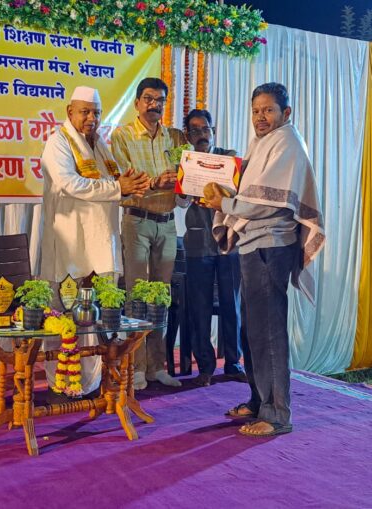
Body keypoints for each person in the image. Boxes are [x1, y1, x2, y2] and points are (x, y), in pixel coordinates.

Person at [206, 82, 325, 437]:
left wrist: (224, 204)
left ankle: (277, 415)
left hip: (270, 247)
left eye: (268, 110)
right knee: (252, 329)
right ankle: (259, 401)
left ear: (286, 113)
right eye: (256, 111)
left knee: (269, 331)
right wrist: (221, 193)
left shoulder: (287, 143)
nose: (260, 117)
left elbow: (267, 202)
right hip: (253, 245)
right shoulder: (263, 142)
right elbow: (251, 192)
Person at [40, 86, 149, 400]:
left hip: (101, 244)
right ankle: (61, 381)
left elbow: (111, 185)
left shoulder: (100, 145)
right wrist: (117, 187)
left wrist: (130, 185)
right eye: (85, 111)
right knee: (66, 314)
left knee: (96, 316)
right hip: (71, 245)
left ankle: (91, 382)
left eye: (96, 113)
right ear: (69, 112)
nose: (91, 118)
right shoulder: (58, 142)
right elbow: (69, 183)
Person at [111, 77, 187, 390]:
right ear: (137, 103)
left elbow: (187, 176)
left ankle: (157, 366)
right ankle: (136, 367)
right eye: (148, 99)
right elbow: (123, 182)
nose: (154, 105)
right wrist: (155, 183)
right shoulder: (122, 135)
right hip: (137, 221)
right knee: (137, 296)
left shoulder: (176, 137)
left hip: (167, 222)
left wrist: (187, 185)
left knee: (160, 297)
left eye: (160, 100)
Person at [182, 109, 246, 387]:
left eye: (205, 129)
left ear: (213, 131)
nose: (201, 135)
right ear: (187, 135)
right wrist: (188, 184)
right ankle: (205, 367)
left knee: (232, 304)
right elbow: (181, 201)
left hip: (228, 242)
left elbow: (236, 190)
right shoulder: (186, 164)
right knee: (200, 307)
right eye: (195, 130)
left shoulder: (228, 158)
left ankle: (233, 363)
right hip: (198, 245)